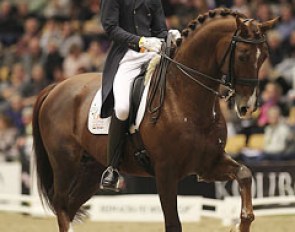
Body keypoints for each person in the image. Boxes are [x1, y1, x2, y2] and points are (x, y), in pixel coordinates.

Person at [99, 0, 180, 191]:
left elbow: (159, 30)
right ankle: (112, 168)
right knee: (122, 108)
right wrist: (140, 41)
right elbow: (110, 28)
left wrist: (169, 36)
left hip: (154, 52)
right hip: (127, 55)